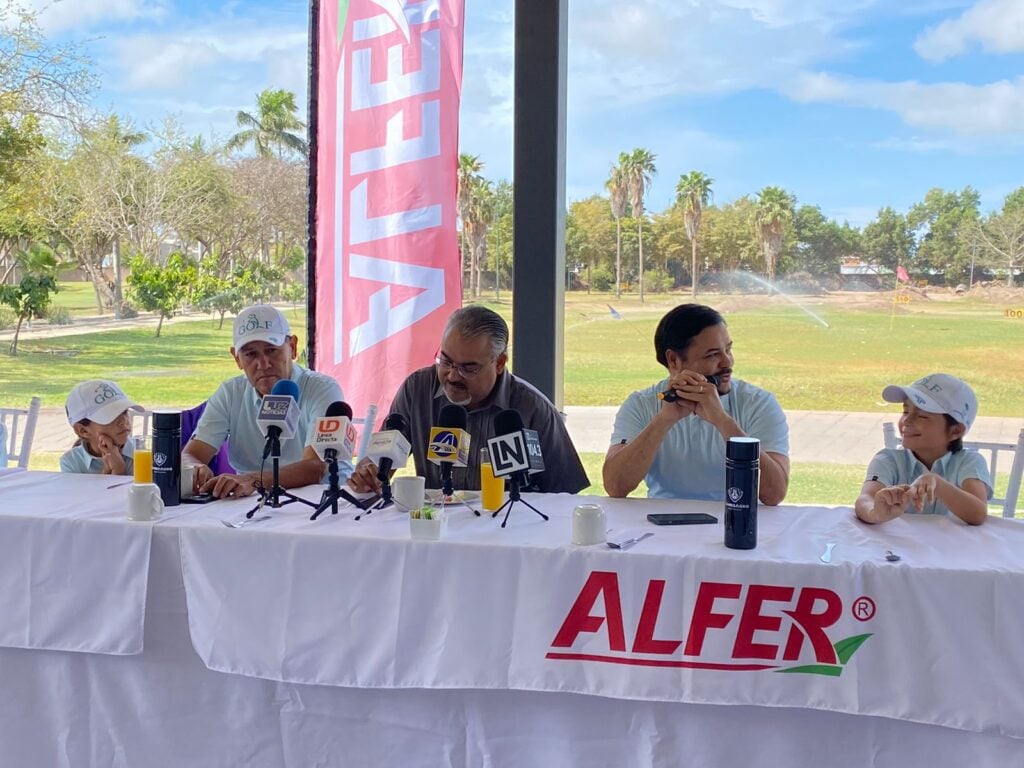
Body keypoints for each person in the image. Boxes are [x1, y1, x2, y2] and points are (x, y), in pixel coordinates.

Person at [348, 305, 589, 494]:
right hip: (435, 530)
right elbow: (381, 461)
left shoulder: (532, 408)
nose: (453, 376)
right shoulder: (417, 389)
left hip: (508, 536)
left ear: (500, 363)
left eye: (468, 368)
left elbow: (564, 496)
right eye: (446, 360)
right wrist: (368, 473)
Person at [603, 303, 790, 503]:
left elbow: (774, 494)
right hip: (663, 521)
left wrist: (722, 421)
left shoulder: (758, 403)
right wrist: (664, 420)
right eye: (713, 355)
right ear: (673, 360)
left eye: (728, 350)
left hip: (737, 518)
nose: (727, 363)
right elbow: (616, 487)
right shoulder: (641, 404)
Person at [183, 304, 349, 498]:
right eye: (250, 354)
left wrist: (253, 480)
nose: (263, 364)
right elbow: (190, 454)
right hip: (253, 504)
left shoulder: (322, 389)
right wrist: (195, 469)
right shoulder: (230, 393)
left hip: (325, 501)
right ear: (237, 359)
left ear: (293, 347)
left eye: (272, 350)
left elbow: (315, 467)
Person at [855, 373, 991, 525]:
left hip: (951, 547)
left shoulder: (969, 462)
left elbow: (978, 514)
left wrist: (937, 484)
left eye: (922, 416)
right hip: (899, 546)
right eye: (906, 411)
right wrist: (875, 512)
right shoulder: (887, 459)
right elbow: (865, 499)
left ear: (955, 431)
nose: (907, 420)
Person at [60, 380, 145, 475]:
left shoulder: (144, 455)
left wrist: (117, 470)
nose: (123, 421)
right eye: (110, 417)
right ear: (83, 430)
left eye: (124, 411)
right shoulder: (72, 462)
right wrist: (114, 471)